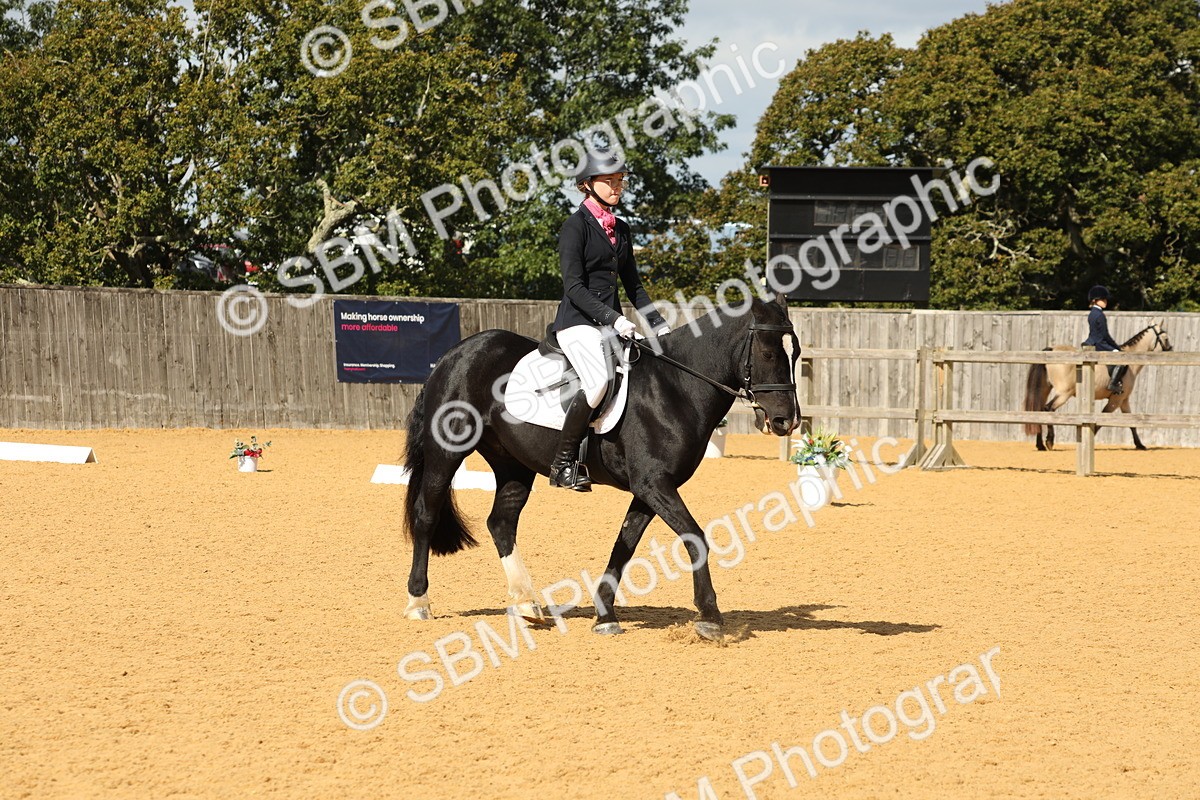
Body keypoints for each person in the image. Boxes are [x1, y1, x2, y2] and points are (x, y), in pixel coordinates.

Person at [547, 151, 670, 491]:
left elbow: (634, 286)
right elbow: (573, 286)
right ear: (587, 185)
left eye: (620, 181)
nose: (617, 187)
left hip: (609, 323)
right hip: (577, 322)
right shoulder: (574, 228)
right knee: (599, 380)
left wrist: (657, 323)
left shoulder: (622, 230)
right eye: (610, 181)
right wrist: (613, 319)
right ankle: (563, 464)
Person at [1082, 285, 1126, 394]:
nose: (1106, 301)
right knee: (1122, 360)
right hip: (1099, 344)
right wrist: (1115, 348)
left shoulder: (1092, 313)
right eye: (1103, 299)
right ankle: (1113, 384)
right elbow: (1104, 336)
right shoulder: (1100, 315)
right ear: (1095, 300)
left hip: (1091, 342)